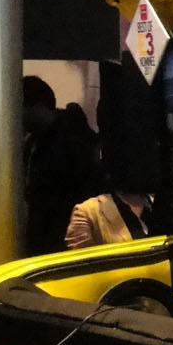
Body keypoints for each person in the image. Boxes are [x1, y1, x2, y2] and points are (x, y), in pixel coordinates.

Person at [22, 75, 101, 256]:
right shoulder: (35, 141)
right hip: (49, 240)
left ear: (38, 106)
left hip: (60, 243)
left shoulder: (71, 143)